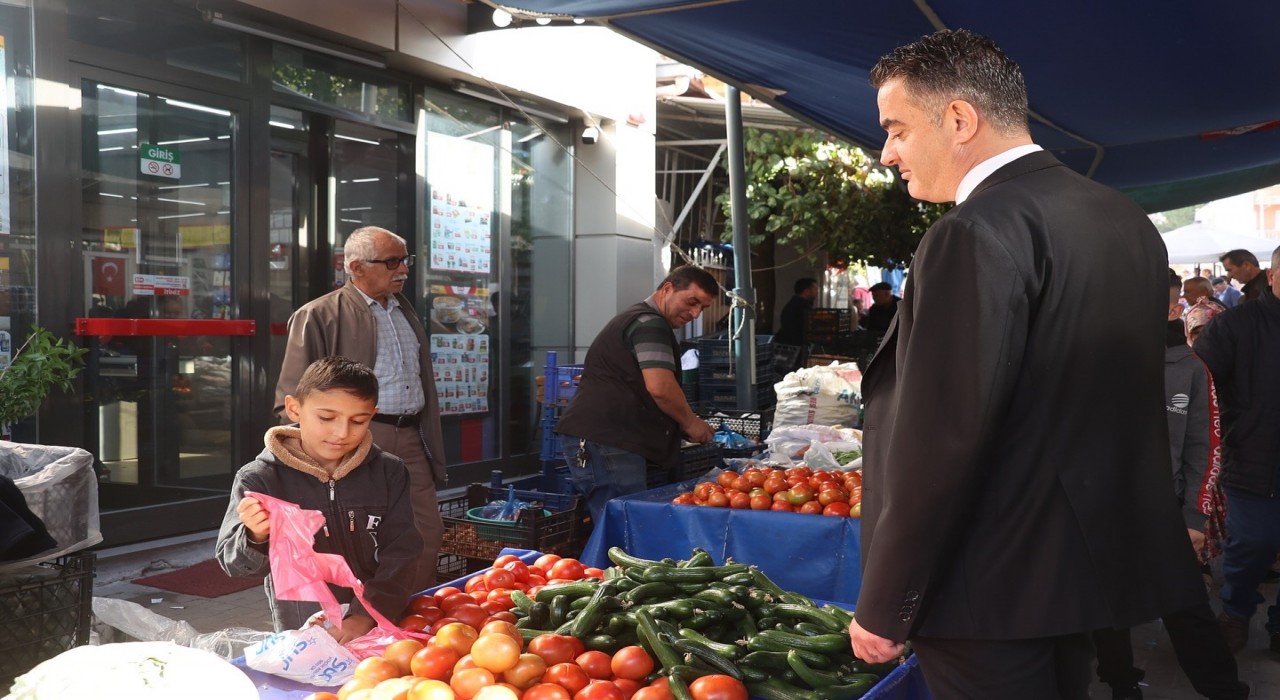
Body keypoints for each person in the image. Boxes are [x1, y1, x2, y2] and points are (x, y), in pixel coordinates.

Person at [851, 29, 1207, 699]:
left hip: (985, 586)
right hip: (1079, 576)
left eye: (896, 129)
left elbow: (944, 437)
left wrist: (887, 601)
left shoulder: (972, 232)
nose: (887, 152)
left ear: (958, 118)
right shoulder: (1125, 220)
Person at [1090, 272, 1247, 700]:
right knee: (1107, 610)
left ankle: (1226, 691)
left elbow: (1207, 446)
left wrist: (1195, 516)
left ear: (1175, 307)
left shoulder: (1191, 369)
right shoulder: (1094, 360)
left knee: (1188, 610)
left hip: (1167, 513)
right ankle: (1123, 685)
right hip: (1102, 514)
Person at [275, 226, 446, 593]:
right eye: (391, 261)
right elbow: (290, 398)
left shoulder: (404, 312)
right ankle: (359, 624)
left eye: (405, 260)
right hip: (354, 440)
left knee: (425, 531)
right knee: (357, 538)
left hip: (412, 436)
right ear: (355, 267)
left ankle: (414, 617)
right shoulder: (319, 315)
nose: (403, 269)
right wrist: (305, 460)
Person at [216, 356, 422, 642]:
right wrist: (255, 535)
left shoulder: (389, 471)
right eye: (326, 418)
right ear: (294, 409)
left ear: (372, 415)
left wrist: (365, 615)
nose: (341, 433)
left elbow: (403, 551)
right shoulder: (260, 479)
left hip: (379, 622)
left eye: (358, 421)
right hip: (305, 631)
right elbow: (235, 565)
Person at [556, 265, 717, 522]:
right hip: (608, 440)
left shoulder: (642, 320)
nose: (695, 313)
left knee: (619, 525)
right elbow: (660, 387)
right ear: (667, 289)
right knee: (625, 527)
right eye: (692, 302)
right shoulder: (649, 324)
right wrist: (690, 422)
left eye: (703, 308)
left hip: (606, 439)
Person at [1194, 244, 1280, 656]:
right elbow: (1200, 382)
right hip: (1252, 461)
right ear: (1274, 276)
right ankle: (1236, 611)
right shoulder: (1236, 326)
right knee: (1253, 545)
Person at [775, 277, 819, 348]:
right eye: (815, 289)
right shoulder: (802, 307)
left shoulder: (793, 303)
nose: (817, 292)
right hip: (797, 347)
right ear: (806, 291)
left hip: (790, 345)